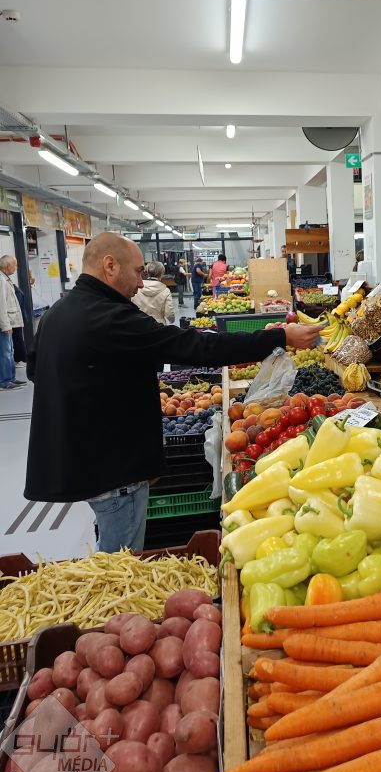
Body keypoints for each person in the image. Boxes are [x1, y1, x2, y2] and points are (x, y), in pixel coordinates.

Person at [25, 232, 323, 552]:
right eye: (138, 271)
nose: (141, 282)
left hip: (83, 461)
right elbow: (195, 347)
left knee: (111, 553)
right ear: (110, 266)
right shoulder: (109, 318)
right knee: (119, 562)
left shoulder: (57, 313)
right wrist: (280, 337)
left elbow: (35, 371)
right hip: (113, 470)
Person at [0, 255, 25, 391]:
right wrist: (5, 325)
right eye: (14, 265)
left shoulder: (5, 279)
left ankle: (11, 378)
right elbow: (1, 304)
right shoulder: (1, 280)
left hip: (9, 322)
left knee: (10, 352)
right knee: (5, 353)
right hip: (5, 324)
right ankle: (4, 381)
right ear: (7, 266)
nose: (16, 267)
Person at [132, 261, 175, 325]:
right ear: (161, 273)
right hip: (158, 325)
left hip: (139, 323)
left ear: (147, 272)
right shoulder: (165, 291)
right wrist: (172, 320)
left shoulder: (137, 288)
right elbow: (169, 314)